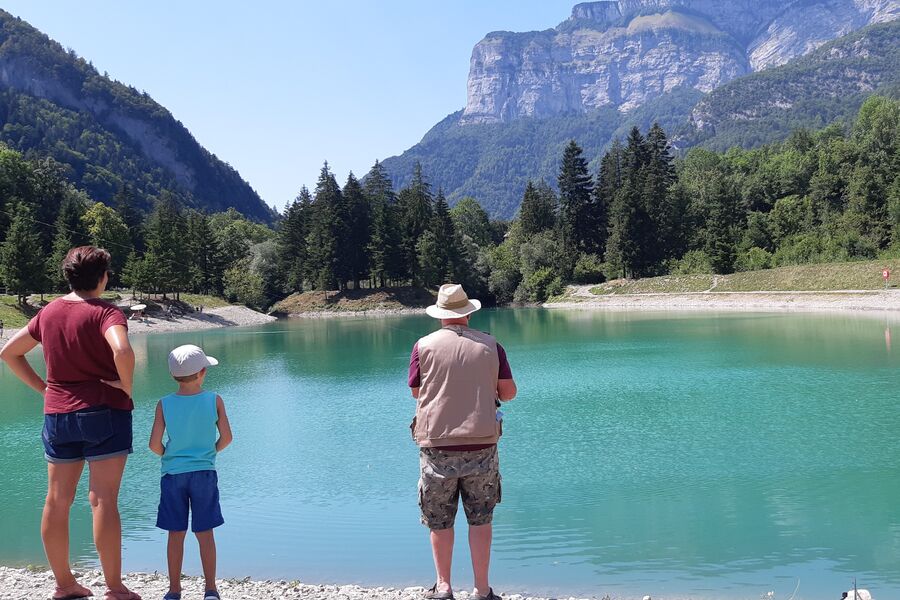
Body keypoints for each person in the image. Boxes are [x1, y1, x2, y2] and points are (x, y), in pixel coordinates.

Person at [0, 246, 141, 600]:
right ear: (103, 277)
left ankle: (64, 585)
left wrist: (44, 389)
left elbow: (8, 353)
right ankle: (115, 589)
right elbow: (121, 350)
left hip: (57, 414)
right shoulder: (105, 313)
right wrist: (125, 386)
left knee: (56, 500)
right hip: (104, 411)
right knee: (103, 500)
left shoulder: (48, 313)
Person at [408, 283, 517, 600]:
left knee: (439, 520)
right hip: (482, 447)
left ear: (440, 315)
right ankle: (482, 590)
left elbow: (416, 391)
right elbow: (508, 393)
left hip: (437, 448)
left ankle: (443, 587)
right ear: (468, 312)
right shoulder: (491, 345)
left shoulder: (422, 346)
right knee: (480, 519)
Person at [149, 344, 233, 600]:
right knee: (205, 532)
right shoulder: (214, 399)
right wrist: (207, 455)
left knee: (175, 533)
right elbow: (227, 438)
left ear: (174, 375)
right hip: (204, 474)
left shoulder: (164, 404)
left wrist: (172, 458)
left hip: (173, 475)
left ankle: (174, 591)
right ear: (202, 372)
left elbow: (154, 445)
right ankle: (210, 590)